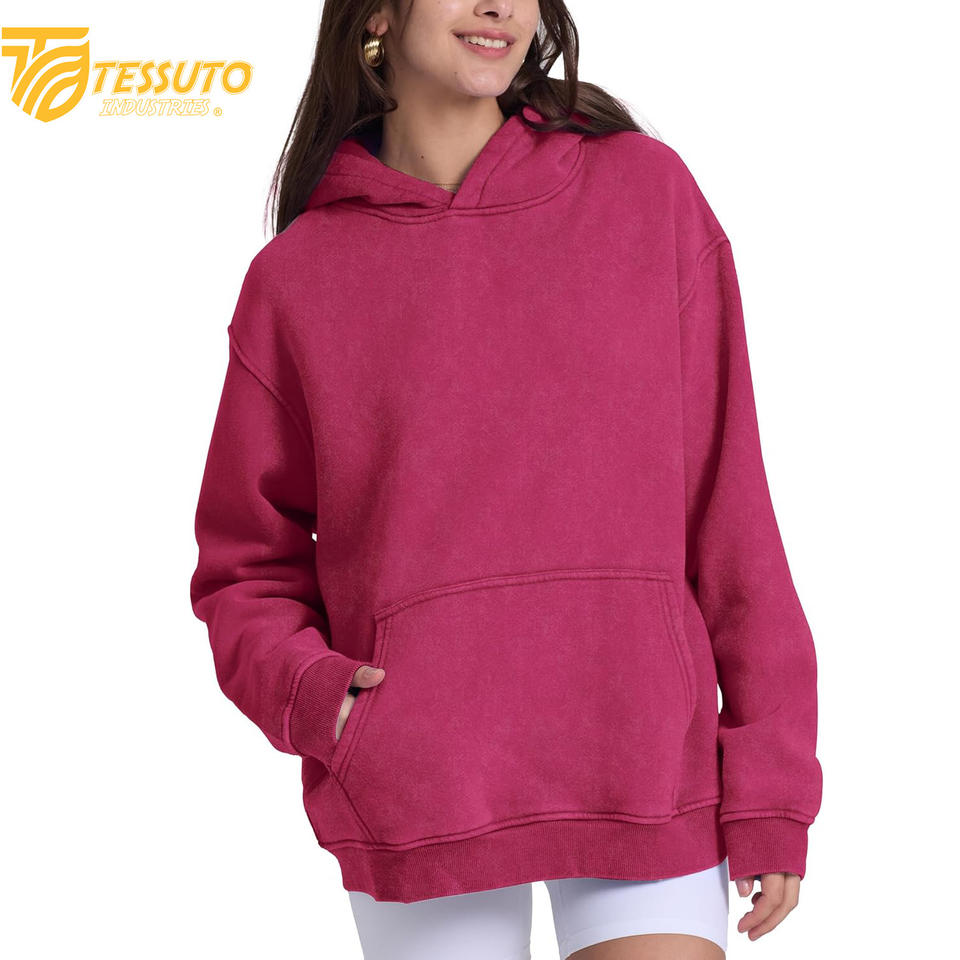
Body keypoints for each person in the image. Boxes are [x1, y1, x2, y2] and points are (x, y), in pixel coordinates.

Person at [188, 1, 823, 957]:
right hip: (423, 785)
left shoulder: (646, 195)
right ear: (377, 12)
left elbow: (731, 508)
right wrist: (324, 700)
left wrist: (772, 779)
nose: (500, 6)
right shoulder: (299, 278)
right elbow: (246, 568)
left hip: (644, 757)